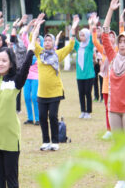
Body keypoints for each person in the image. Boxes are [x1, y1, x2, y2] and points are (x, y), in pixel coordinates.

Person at [0, 11, 42, 188]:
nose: (0, 63)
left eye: (4, 61)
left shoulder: (15, 81)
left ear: (10, 63)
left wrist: (33, 38)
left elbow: (27, 62)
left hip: (9, 138)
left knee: (11, 179)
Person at [34, 15, 79, 151]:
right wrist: (37, 26)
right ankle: (45, 141)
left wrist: (73, 29)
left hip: (55, 91)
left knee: (53, 116)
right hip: (42, 92)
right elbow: (32, 39)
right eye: (45, 40)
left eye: (50, 40)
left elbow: (70, 45)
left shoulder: (57, 54)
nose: (47, 42)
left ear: (53, 43)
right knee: (42, 117)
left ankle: (55, 141)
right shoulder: (39, 53)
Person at [102, 0, 125, 187]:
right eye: (120, 42)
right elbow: (104, 34)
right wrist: (110, 11)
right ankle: (122, 178)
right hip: (114, 108)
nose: (121, 45)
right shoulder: (112, 58)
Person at [91, 12, 125, 140]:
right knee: (108, 108)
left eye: (112, 37)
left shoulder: (116, 52)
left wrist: (121, 22)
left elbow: (123, 35)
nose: (110, 38)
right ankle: (109, 130)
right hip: (106, 85)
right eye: (108, 36)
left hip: (117, 87)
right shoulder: (104, 52)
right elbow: (95, 40)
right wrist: (94, 26)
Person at [74, 16, 95, 119]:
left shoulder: (90, 46)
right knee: (81, 93)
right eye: (80, 35)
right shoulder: (78, 46)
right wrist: (74, 27)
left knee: (87, 92)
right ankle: (82, 111)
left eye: (83, 35)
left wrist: (91, 24)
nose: (81, 37)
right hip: (80, 75)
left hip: (89, 74)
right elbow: (72, 40)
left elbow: (92, 37)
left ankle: (88, 112)